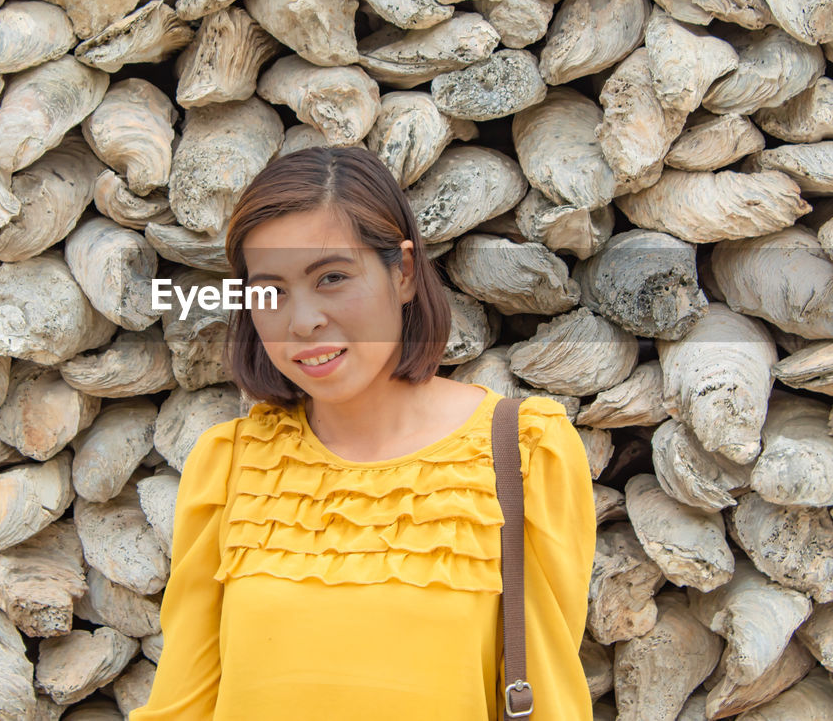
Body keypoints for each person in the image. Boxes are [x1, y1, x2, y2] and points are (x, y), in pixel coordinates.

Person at [129, 146, 596, 721]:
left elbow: (549, 700)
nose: (302, 321)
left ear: (402, 272)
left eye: (331, 277)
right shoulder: (227, 464)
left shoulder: (523, 453)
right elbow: (183, 701)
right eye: (270, 292)